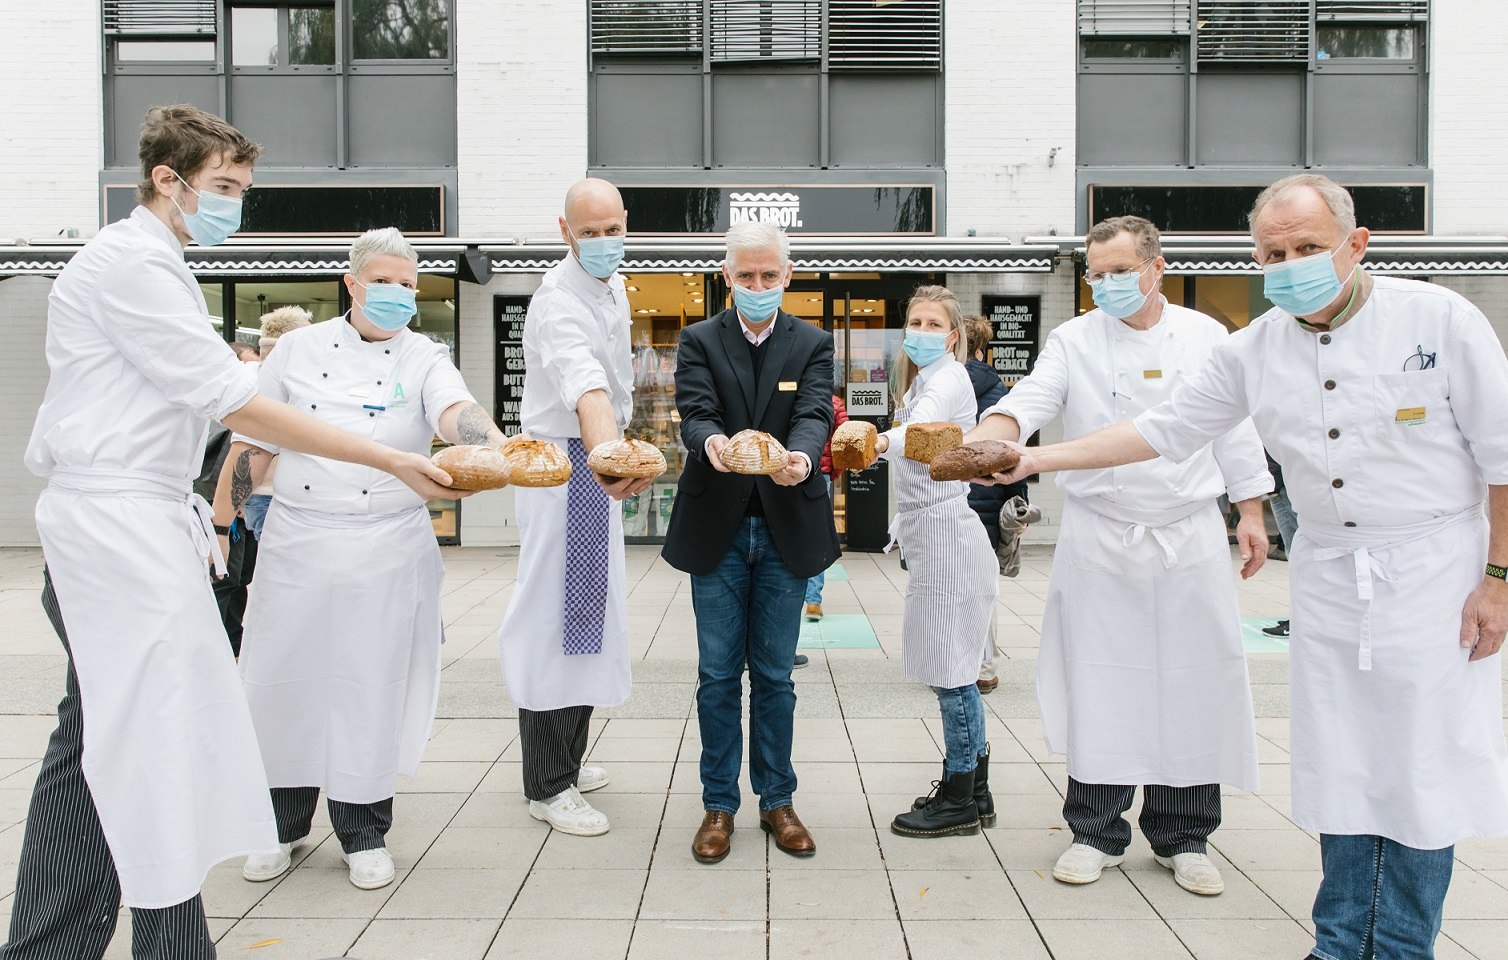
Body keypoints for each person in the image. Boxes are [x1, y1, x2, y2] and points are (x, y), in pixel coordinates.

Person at [978, 175, 1508, 959]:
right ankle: (1336, 944)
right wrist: (1025, 456)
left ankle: (1397, 946)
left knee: (1419, 770)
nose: (1289, 264)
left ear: (1355, 245)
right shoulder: (1253, 347)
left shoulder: (1440, 318)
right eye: (1273, 253)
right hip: (1328, 574)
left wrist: (1498, 578)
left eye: (1307, 248)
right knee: (1343, 767)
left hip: (1432, 571)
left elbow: (1502, 455)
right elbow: (1161, 429)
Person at [6, 104, 455, 960]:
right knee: (149, 742)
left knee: (99, 733)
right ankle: (152, 946)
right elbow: (242, 405)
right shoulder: (133, 264)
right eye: (223, 187)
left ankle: (51, 943)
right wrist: (389, 460)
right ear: (166, 181)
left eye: (241, 189)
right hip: (116, 525)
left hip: (130, 521)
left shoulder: (154, 263)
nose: (234, 204)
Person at [971, 215, 1272, 896]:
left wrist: (1250, 509)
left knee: (1192, 679)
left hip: (1188, 530)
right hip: (1101, 533)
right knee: (1101, 679)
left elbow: (1234, 426)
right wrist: (994, 434)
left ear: (1156, 267)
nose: (1105, 283)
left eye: (1119, 271)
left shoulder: (1205, 335)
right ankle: (1095, 828)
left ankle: (1183, 833)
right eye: (1095, 272)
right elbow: (1030, 400)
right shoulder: (1072, 338)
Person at [220, 228, 504, 890]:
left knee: (371, 689)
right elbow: (256, 438)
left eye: (409, 285)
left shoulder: (425, 355)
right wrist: (221, 521)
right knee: (280, 684)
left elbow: (455, 413)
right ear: (351, 283)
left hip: (388, 545)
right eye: (386, 282)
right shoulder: (295, 349)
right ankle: (280, 827)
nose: (399, 295)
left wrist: (495, 447)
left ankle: (363, 830)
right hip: (299, 540)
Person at [662, 221, 839, 864]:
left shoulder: (813, 342)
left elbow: (816, 411)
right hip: (719, 526)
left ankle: (777, 800)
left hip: (788, 522)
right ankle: (718, 804)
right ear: (728, 276)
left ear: (787, 276)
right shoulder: (699, 339)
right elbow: (697, 409)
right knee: (716, 676)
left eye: (770, 276)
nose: (758, 286)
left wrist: (801, 455)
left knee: (773, 676)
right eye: (746, 276)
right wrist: (711, 444)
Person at [497, 179, 650, 838]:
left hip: (588, 463)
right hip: (569, 464)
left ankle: (564, 759)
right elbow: (585, 387)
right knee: (560, 619)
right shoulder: (558, 301)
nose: (603, 243)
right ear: (565, 232)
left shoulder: (610, 286)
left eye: (612, 229)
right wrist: (608, 457)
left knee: (590, 615)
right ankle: (548, 785)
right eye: (589, 233)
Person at [861, 287, 999, 838]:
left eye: (931, 322)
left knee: (951, 673)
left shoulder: (948, 379)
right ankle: (976, 789)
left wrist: (875, 442)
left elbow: (921, 436)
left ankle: (960, 797)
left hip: (947, 531)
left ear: (952, 333)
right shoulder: (921, 379)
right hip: (933, 531)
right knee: (955, 666)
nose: (919, 329)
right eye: (912, 319)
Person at [209, 307, 312, 656]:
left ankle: (257, 644)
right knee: (288, 580)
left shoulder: (250, 378)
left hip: (255, 498)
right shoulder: (287, 379)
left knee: (266, 577)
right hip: (275, 495)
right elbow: (256, 447)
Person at [962, 314, 1028, 693]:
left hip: (946, 501)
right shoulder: (1001, 393)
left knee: (947, 586)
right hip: (987, 497)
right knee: (982, 588)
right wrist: (1019, 501)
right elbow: (1013, 452)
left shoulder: (936, 385)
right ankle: (984, 668)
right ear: (983, 350)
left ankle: (952, 659)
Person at [803, 387, 848, 623]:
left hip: (791, 471)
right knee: (817, 535)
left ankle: (796, 594)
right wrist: (834, 471)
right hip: (820, 475)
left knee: (791, 533)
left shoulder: (793, 395)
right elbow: (844, 441)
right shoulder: (835, 403)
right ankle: (813, 600)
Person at [1263, 449, 1298, 638]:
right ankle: (1299, 618)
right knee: (1297, 555)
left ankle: (1300, 621)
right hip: (1280, 484)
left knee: (1298, 556)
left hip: (1282, 486)